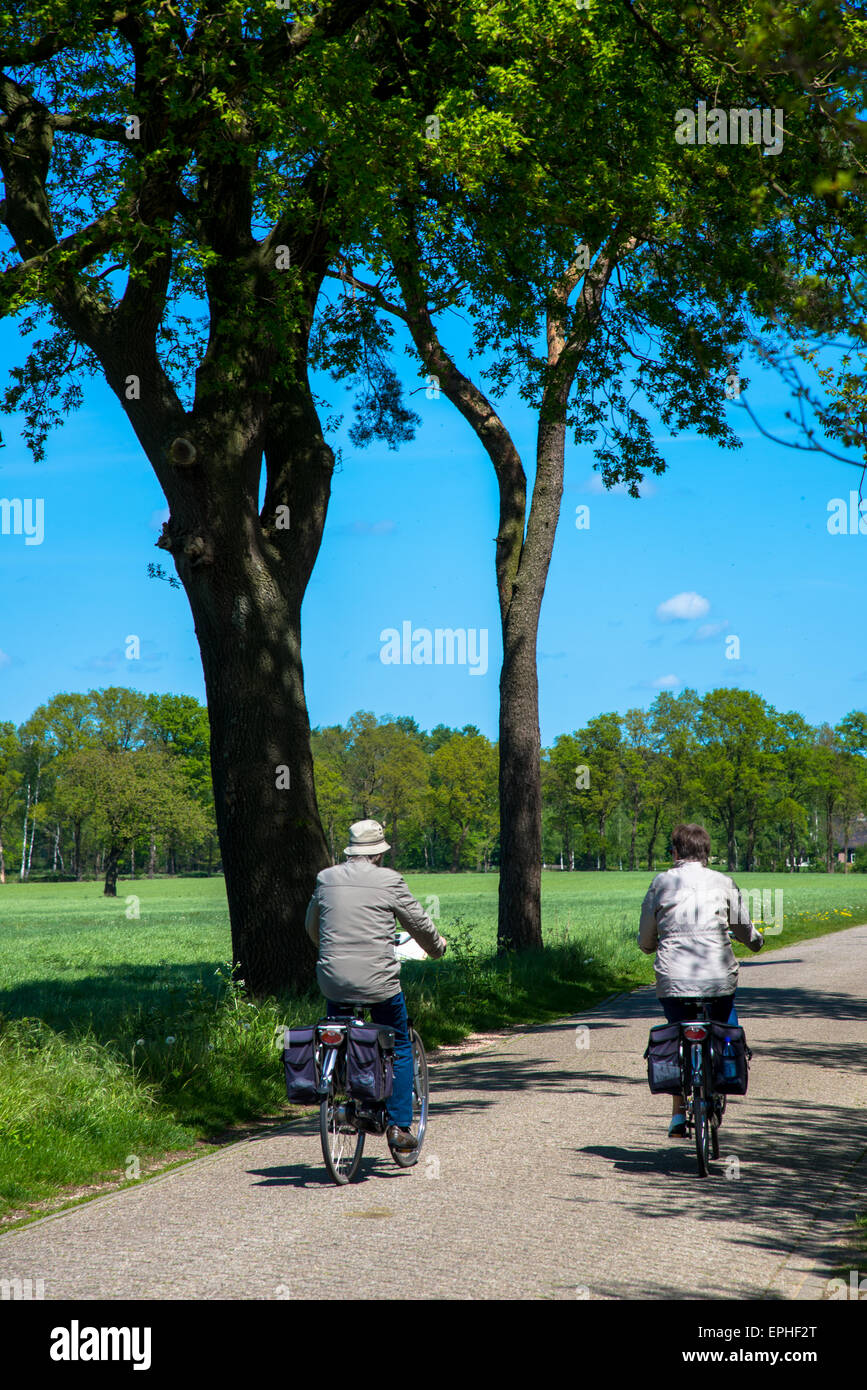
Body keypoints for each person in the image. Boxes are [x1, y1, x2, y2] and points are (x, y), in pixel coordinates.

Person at [305, 818, 447, 1152]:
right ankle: (398, 1125)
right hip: (379, 982)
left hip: (333, 978)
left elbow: (313, 926)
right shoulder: (390, 880)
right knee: (398, 1042)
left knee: (338, 1030)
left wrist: (333, 953)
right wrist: (437, 948)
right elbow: (419, 923)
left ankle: (342, 1092)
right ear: (378, 853)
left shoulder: (326, 878)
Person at [638, 822, 764, 1138]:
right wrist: (755, 942)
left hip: (673, 982)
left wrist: (649, 946)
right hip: (718, 981)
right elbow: (744, 929)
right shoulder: (723, 883)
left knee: (680, 1034)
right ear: (706, 853)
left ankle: (678, 1115)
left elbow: (646, 938)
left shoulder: (660, 883)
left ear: (676, 851)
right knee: (724, 1029)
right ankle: (720, 1079)